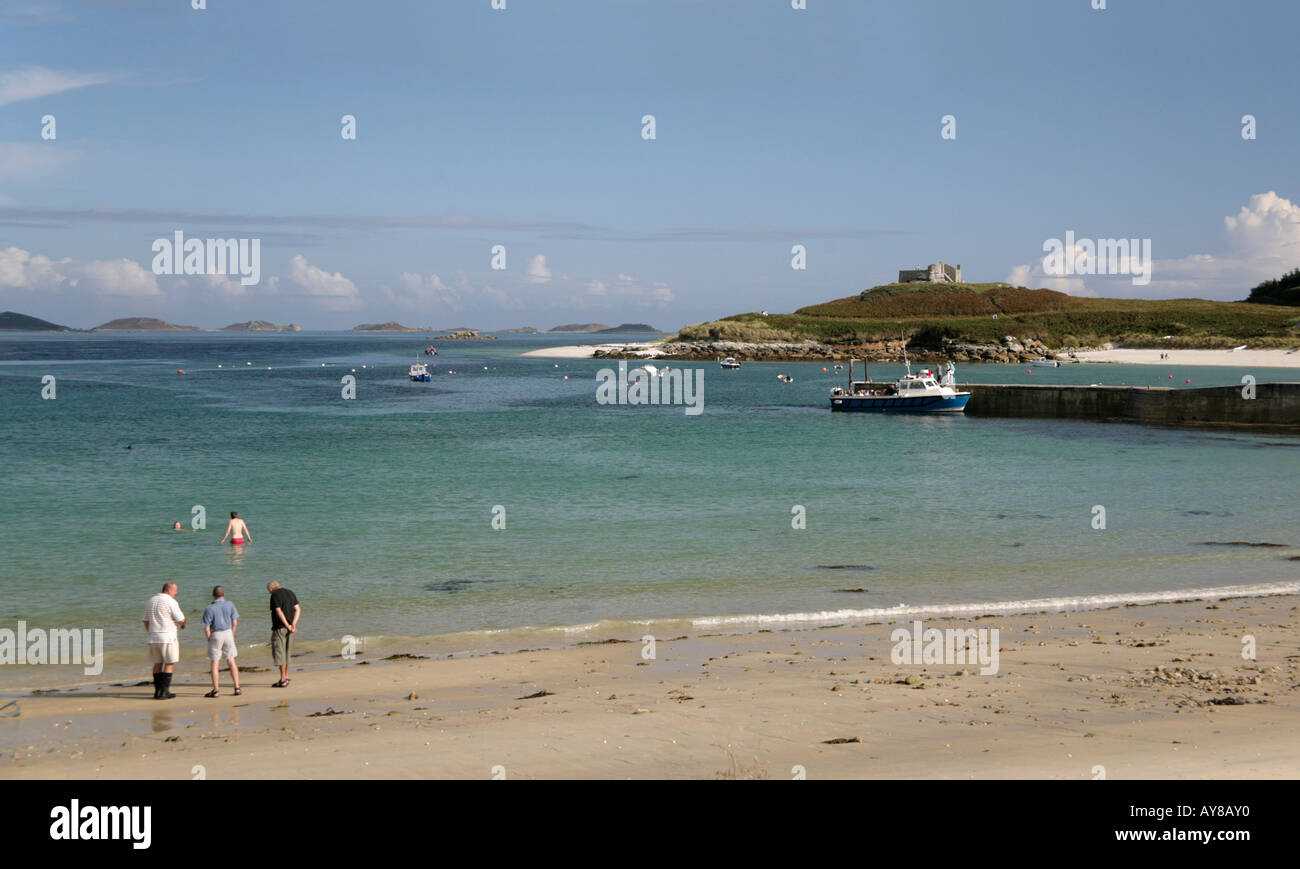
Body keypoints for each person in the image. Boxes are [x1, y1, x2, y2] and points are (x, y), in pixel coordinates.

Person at [142, 582, 186, 700]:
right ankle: (165, 691)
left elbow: (146, 621)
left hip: (153, 636)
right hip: (168, 636)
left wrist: (151, 631)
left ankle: (157, 691)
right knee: (169, 663)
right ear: (169, 590)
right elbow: (181, 619)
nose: (176, 593)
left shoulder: (151, 600)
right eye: (175, 591)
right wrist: (183, 624)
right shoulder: (171, 601)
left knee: (157, 663)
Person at [201, 586, 241, 697]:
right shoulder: (230, 604)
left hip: (216, 634)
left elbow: (206, 627)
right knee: (231, 661)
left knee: (215, 663)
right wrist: (231, 633)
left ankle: (216, 690)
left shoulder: (209, 608)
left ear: (213, 595)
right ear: (224, 594)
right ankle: (237, 688)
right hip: (228, 632)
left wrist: (209, 638)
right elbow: (235, 622)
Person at [267, 581, 301, 687]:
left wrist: (286, 625)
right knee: (287, 653)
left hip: (280, 628)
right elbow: (298, 609)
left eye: (269, 591)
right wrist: (293, 624)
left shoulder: (275, 595)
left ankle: (282, 679)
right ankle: (286, 676)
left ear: (271, 589)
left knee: (280, 653)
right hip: (291, 628)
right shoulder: (290, 592)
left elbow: (278, 611)